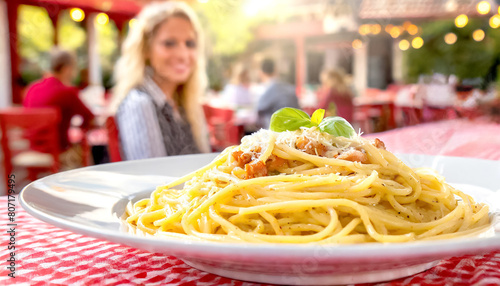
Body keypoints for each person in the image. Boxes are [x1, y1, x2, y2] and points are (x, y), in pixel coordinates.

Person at [111, 1, 210, 160]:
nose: (183, 54)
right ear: (146, 49)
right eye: (169, 43)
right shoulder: (140, 103)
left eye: (190, 44)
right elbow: (151, 178)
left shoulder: (184, 102)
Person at [23, 48, 95, 152]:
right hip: (58, 152)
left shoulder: (31, 88)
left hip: (32, 149)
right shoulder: (67, 92)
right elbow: (89, 117)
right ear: (66, 69)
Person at [256, 58, 299, 128]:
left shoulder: (265, 90)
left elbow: (258, 110)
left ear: (260, 73)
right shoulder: (289, 88)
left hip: (275, 133)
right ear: (275, 69)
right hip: (294, 131)